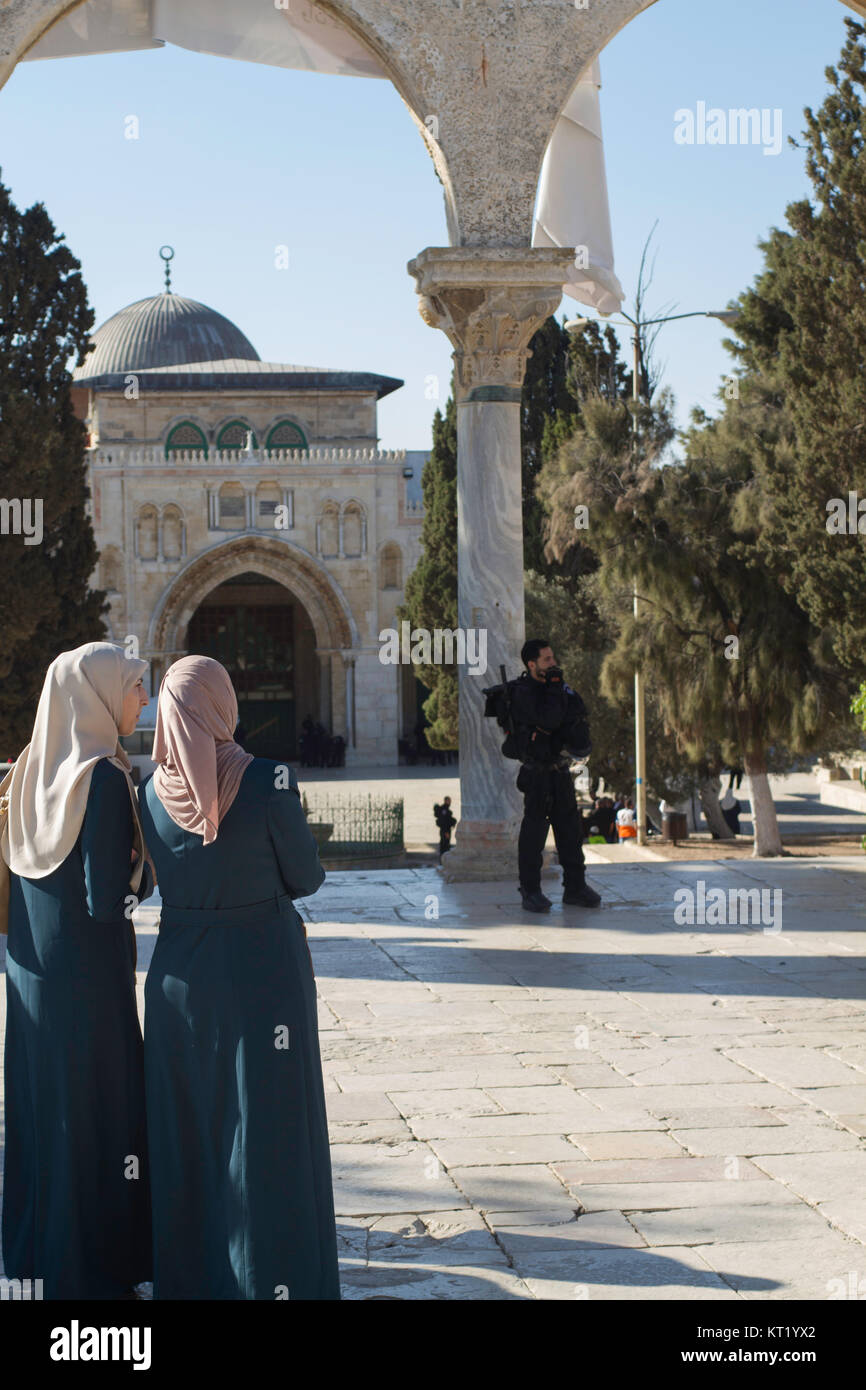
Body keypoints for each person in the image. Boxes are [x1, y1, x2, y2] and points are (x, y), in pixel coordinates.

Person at [138, 655, 340, 1300]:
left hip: (179, 982)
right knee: (268, 1127)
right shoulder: (269, 781)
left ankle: (196, 1279)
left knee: (191, 1129)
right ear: (223, 704)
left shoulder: (148, 794)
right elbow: (305, 878)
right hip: (262, 972)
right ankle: (275, 1278)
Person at [1, 641, 153, 1299]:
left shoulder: (28, 767)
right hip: (90, 979)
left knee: (42, 1112)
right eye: (133, 685)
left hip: (29, 973)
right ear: (96, 694)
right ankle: (92, 1265)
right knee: (97, 1113)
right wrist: (148, 870)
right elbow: (105, 898)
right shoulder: (105, 776)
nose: (142, 699)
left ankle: (34, 1255)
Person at [483, 638, 601, 913]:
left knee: (570, 832)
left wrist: (558, 692)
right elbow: (548, 719)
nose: (553, 664)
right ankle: (531, 890)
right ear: (531, 664)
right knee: (534, 834)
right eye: (547, 660)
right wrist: (556, 692)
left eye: (553, 658)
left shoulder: (558, 688)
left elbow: (576, 711)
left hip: (559, 771)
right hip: (536, 773)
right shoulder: (524, 692)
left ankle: (575, 887)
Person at [433, 795, 457, 861]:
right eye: (449, 801)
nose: (450, 802)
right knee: (445, 845)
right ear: (446, 801)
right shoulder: (444, 810)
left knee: (445, 845)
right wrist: (446, 832)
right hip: (445, 831)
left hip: (445, 830)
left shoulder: (446, 809)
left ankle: (443, 860)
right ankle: (443, 860)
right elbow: (444, 821)